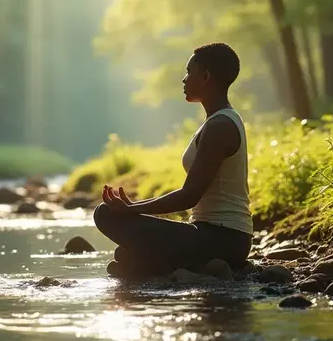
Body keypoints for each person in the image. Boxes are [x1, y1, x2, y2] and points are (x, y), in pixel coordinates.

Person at [94, 42, 253, 279]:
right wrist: (133, 210)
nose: (184, 79)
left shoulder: (220, 127)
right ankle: (187, 266)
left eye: (190, 72)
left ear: (206, 76)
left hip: (224, 239)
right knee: (124, 255)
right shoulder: (217, 122)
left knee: (104, 215)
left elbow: (189, 196)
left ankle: (202, 267)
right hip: (212, 234)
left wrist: (132, 210)